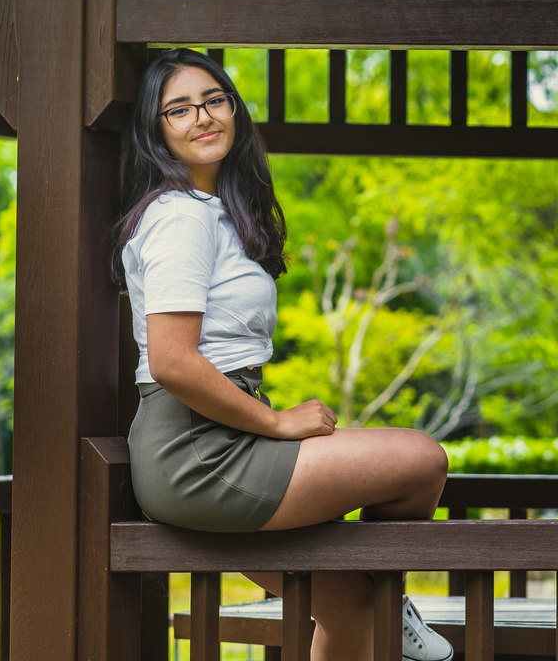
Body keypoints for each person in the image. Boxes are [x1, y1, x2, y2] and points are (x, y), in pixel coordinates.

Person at [111, 48, 453, 661]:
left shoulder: (216, 213)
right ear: (155, 131)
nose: (202, 117)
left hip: (220, 432)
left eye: (215, 101)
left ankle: (382, 596)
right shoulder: (180, 218)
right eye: (179, 109)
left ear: (235, 110)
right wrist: (274, 423)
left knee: (350, 611)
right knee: (421, 459)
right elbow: (171, 361)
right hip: (195, 448)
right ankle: (393, 593)